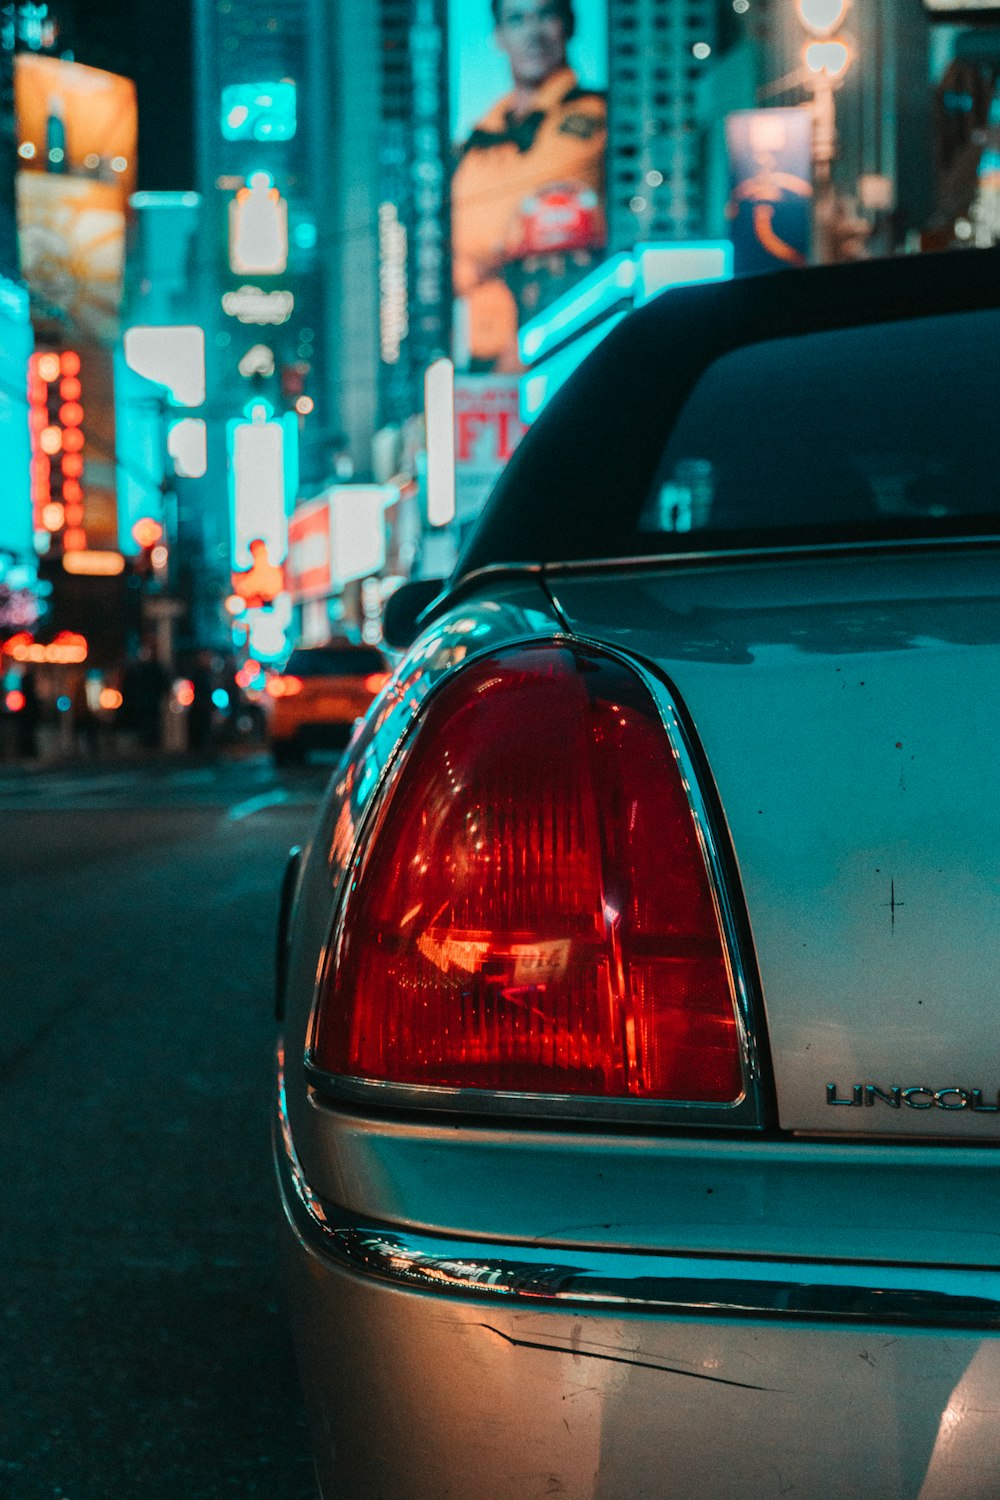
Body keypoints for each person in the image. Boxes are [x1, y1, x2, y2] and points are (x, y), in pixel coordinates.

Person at [451, 0, 607, 371]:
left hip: (566, 341)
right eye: (517, 19)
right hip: (478, 359)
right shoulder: (476, 141)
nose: (533, 32)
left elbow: (543, 217)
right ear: (499, 37)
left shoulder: (595, 115)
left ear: (566, 25)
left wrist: (478, 260)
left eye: (546, 15)